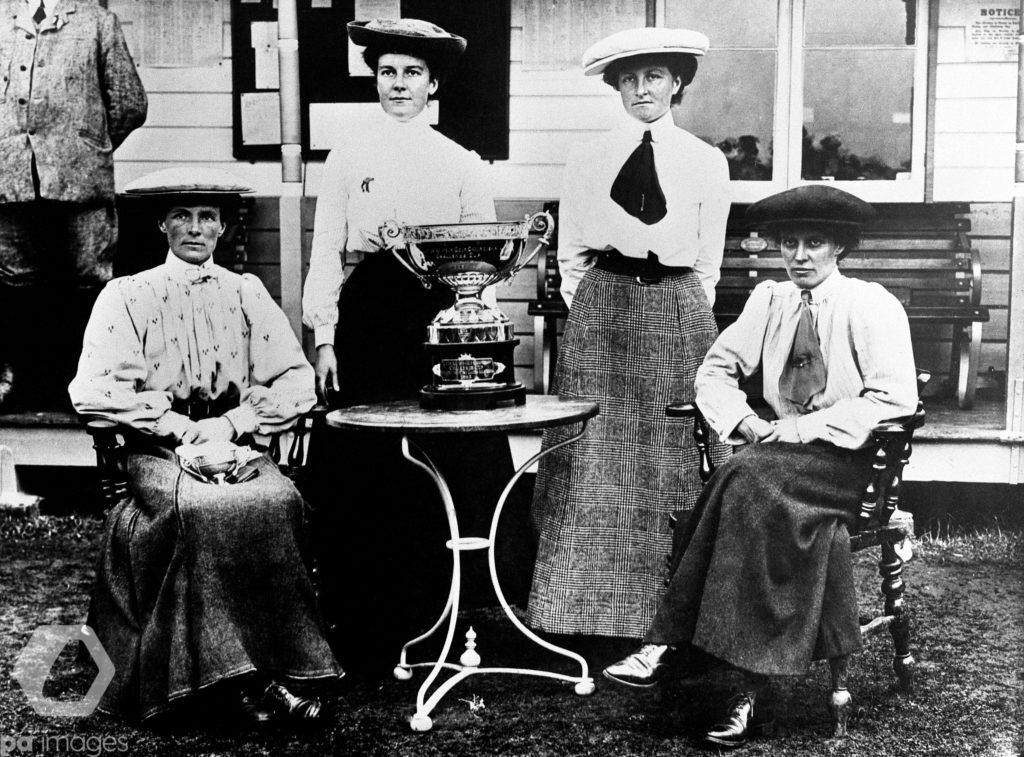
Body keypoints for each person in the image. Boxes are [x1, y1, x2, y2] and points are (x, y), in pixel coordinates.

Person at [602, 185, 919, 748]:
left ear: (840, 247)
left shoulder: (871, 305)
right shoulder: (770, 301)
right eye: (789, 243)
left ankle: (670, 643)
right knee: (749, 480)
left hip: (844, 462)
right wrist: (744, 421)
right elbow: (713, 372)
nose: (800, 256)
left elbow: (894, 398)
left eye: (814, 243)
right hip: (772, 455)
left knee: (744, 477)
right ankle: (744, 691)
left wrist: (799, 430)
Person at [69, 168, 341, 727]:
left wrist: (237, 420)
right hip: (155, 450)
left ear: (222, 227)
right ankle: (235, 681)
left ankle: (283, 666)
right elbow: (91, 389)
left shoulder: (246, 293)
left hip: (234, 444)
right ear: (162, 224)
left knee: (277, 501)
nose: (195, 227)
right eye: (182, 216)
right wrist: (172, 424)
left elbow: (296, 380)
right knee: (202, 508)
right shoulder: (128, 295)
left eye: (207, 217)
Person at [301, 18, 526, 667]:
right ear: (375, 80)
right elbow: (326, 250)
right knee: (367, 460)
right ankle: (365, 613)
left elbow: (482, 268)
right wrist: (325, 337)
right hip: (368, 318)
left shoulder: (461, 162)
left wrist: (479, 347)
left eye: (413, 73)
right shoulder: (348, 156)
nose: (399, 84)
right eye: (388, 72)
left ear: (434, 85)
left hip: (439, 319)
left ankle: (444, 608)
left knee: (443, 456)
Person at [527, 26, 731, 641]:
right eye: (630, 79)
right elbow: (571, 255)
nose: (643, 89)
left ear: (677, 83)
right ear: (616, 86)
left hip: (677, 307)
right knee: (593, 454)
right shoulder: (587, 158)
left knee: (674, 454)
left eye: (655, 77)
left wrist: (676, 310)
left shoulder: (705, 160)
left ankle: (675, 616)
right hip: (602, 310)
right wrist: (596, 310)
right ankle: (579, 615)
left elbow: (708, 263)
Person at [0, 0, 147, 409]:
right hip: (9, 180)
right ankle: (23, 388)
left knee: (88, 279)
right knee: (14, 280)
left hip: (81, 183)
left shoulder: (98, 23)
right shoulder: (1, 20)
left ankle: (89, 386)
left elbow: (129, 103)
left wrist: (86, 148)